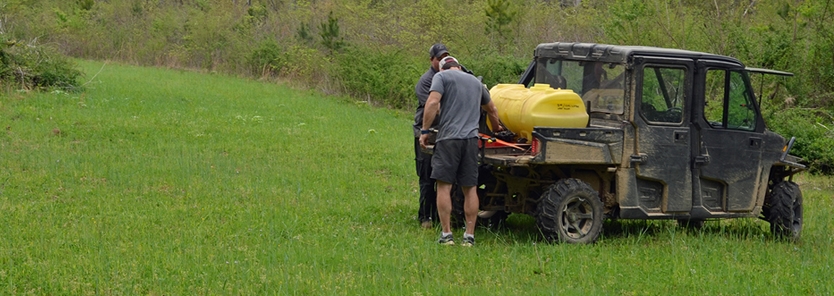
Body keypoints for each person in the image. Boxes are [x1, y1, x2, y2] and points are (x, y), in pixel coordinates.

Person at [419, 56, 503, 247]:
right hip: (471, 142)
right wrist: (497, 129)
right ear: (459, 66)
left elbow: (432, 103)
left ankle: (447, 234)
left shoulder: (441, 78)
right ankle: (469, 236)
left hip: (448, 140)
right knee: (470, 187)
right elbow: (492, 109)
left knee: (444, 186)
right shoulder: (476, 82)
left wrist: (424, 131)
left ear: (442, 69)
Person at [413, 43, 449, 229]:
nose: (442, 60)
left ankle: (441, 214)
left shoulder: (450, 77)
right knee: (426, 176)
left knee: (443, 176)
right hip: (426, 133)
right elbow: (433, 107)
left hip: (446, 134)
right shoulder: (426, 81)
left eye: (445, 56)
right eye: (438, 57)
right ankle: (425, 217)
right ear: (431, 60)